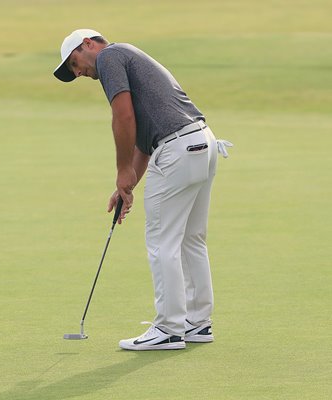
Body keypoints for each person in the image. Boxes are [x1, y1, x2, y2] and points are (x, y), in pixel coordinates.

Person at [53, 29, 232, 350]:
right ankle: (197, 323)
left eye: (74, 63)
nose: (78, 73)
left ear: (88, 44)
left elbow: (123, 117)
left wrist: (122, 170)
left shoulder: (110, 57)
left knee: (162, 241)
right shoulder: (129, 57)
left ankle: (168, 328)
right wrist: (127, 185)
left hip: (178, 148)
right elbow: (145, 139)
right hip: (200, 143)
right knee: (191, 239)